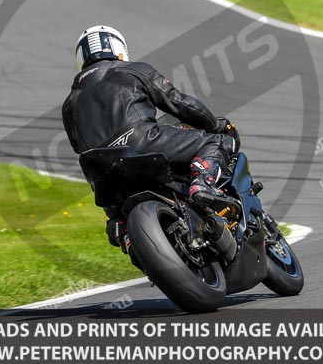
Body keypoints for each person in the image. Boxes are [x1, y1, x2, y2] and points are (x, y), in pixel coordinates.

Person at [61, 25, 240, 248]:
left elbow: (79, 147)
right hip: (142, 141)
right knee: (217, 142)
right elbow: (177, 102)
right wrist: (215, 124)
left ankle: (120, 226)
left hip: (102, 170)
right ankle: (202, 183)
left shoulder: (69, 104)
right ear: (119, 49)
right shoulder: (131, 70)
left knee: (115, 213)